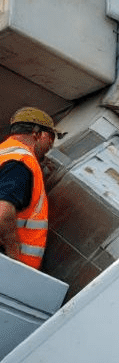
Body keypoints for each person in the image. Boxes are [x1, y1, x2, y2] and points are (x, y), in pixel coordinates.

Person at [0, 107, 62, 270]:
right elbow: (3, 212)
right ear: (37, 133)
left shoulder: (5, 153)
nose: (51, 145)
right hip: (8, 265)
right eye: (51, 137)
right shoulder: (22, 162)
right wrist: (14, 258)